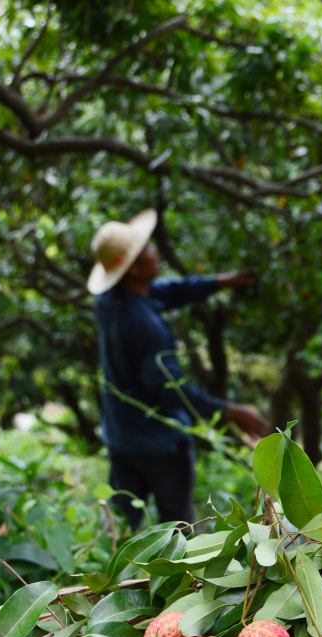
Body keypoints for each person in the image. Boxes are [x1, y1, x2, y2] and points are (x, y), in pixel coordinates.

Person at [88, 209, 271, 530]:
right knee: (178, 529)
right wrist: (230, 411)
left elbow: (171, 291)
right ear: (134, 269)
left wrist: (221, 281)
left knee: (124, 526)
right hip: (159, 445)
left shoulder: (110, 300)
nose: (154, 249)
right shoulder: (145, 327)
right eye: (145, 248)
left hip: (120, 436)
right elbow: (171, 390)